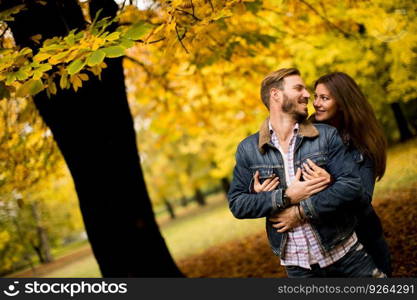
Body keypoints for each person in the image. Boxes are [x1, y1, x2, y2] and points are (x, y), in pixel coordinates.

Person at [228, 68, 386, 277]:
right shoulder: (251, 149)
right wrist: (276, 197)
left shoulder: (332, 138)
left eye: (324, 98)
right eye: (300, 88)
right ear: (275, 94)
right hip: (299, 264)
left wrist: (301, 210)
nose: (312, 99)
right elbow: (239, 203)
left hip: (354, 241)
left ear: (342, 103)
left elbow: (356, 191)